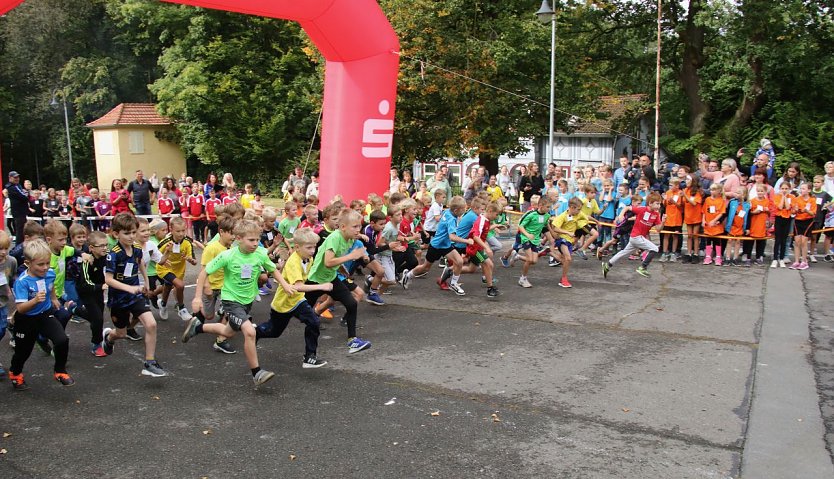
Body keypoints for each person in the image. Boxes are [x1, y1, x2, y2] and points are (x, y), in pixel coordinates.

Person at [183, 219, 293, 386]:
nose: (255, 244)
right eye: (251, 240)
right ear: (238, 238)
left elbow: (272, 269)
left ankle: (197, 328)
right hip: (231, 300)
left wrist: (284, 285)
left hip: (247, 301)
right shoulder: (228, 256)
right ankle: (257, 373)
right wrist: (197, 297)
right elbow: (204, 273)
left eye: (257, 240)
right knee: (249, 331)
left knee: (228, 332)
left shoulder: (260, 254)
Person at [102, 213, 167, 377]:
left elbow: (141, 265)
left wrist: (145, 282)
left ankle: (150, 362)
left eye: (133, 232)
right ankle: (108, 338)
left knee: (151, 324)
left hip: (136, 295)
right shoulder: (114, 254)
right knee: (121, 334)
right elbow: (108, 280)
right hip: (119, 299)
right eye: (127, 233)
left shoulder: (137, 249)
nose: (131, 236)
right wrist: (129, 288)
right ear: (116, 234)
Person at [8, 239, 74, 389]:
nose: (45, 268)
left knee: (62, 340)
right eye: (40, 264)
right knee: (23, 352)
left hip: (44, 315)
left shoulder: (49, 273)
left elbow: (50, 287)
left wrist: (53, 298)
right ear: (27, 263)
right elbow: (20, 309)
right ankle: (15, 373)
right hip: (26, 319)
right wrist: (35, 300)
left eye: (47, 263)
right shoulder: (22, 282)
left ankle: (60, 371)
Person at [307, 208, 373, 353]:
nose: (358, 230)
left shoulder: (349, 239)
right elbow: (328, 262)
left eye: (360, 226)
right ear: (343, 227)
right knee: (295, 312)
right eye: (355, 227)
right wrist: (351, 257)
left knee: (351, 303)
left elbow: (335, 261)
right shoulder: (335, 237)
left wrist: (341, 267)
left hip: (331, 278)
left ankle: (352, 341)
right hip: (315, 280)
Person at [402, 196, 471, 295]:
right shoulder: (451, 218)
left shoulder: (448, 211)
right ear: (456, 210)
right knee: (425, 267)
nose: (465, 210)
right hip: (436, 246)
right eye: (463, 209)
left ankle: (454, 283)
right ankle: (408, 275)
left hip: (445, 245)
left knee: (459, 261)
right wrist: (467, 241)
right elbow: (452, 237)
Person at [602, 192, 663, 279]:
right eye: (657, 203)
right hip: (637, 236)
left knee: (623, 252)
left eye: (660, 203)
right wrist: (621, 215)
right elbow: (627, 207)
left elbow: (658, 229)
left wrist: (663, 221)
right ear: (650, 203)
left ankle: (607, 265)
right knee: (655, 248)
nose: (659, 205)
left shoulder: (656, 215)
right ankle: (643, 267)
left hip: (636, 238)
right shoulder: (642, 209)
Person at [155, 216, 197, 321]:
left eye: (183, 230)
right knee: (180, 285)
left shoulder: (187, 242)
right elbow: (154, 254)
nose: (181, 234)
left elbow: (194, 261)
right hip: (164, 269)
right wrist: (164, 258)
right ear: (171, 230)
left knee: (168, 286)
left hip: (178, 270)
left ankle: (163, 304)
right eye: (178, 231)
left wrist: (190, 260)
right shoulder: (166, 242)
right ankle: (181, 308)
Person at [75, 231, 108, 356]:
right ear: (92, 248)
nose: (105, 248)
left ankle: (75, 310)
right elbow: (85, 283)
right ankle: (96, 344)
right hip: (86, 291)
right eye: (101, 246)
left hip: (98, 290)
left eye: (106, 245)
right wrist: (101, 286)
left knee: (97, 316)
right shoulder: (86, 261)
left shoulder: (107, 256)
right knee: (98, 318)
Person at [548, 197, 586, 288]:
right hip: (562, 239)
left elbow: (586, 217)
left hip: (570, 241)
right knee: (568, 259)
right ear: (572, 207)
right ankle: (564, 279)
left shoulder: (578, 214)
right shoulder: (563, 216)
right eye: (578, 209)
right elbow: (555, 227)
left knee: (564, 260)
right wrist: (567, 232)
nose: (579, 211)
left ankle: (550, 252)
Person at [515, 196, 551, 288]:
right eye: (547, 207)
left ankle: (518, 256)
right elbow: (520, 226)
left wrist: (552, 235)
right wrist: (527, 235)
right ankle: (523, 279)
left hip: (535, 240)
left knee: (534, 261)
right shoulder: (531, 214)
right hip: (526, 238)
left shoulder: (547, 216)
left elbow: (545, 226)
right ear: (540, 205)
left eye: (549, 207)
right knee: (530, 259)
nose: (549, 209)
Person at [0, 230, 16, 377]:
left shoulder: (11, 261)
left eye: (5, 248)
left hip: (3, 303)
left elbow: (13, 279)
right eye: (0, 249)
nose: (3, 252)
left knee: (2, 329)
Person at [790, 182, 816, 270]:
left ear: (809, 190)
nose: (802, 190)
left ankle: (804, 261)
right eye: (801, 188)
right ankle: (797, 261)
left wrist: (806, 211)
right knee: (797, 241)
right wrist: (795, 210)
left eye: (804, 189)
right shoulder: (797, 199)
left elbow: (813, 213)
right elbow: (793, 211)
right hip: (798, 221)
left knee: (804, 241)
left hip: (808, 221)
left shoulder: (812, 200)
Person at [743, 184, 770, 266]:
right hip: (753, 224)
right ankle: (748, 257)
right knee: (750, 241)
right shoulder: (752, 201)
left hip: (762, 225)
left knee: (761, 241)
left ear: (765, 192)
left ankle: (759, 257)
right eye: (758, 191)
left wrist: (767, 210)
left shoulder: (767, 201)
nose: (760, 193)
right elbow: (748, 213)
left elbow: (770, 212)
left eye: (762, 191)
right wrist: (754, 212)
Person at [724, 186, 750, 266]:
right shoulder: (732, 202)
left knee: (738, 241)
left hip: (740, 226)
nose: (736, 194)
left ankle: (735, 258)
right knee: (729, 240)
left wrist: (748, 228)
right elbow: (726, 213)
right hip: (732, 225)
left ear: (744, 195)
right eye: (736, 192)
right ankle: (727, 258)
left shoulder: (747, 205)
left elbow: (749, 217)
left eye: (739, 193)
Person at [702, 184, 727, 265]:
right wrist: (703, 220)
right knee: (708, 241)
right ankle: (708, 256)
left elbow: (721, 213)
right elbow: (704, 211)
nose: (712, 192)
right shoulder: (707, 199)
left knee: (717, 241)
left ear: (719, 191)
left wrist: (714, 220)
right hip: (708, 225)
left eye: (714, 190)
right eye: (711, 190)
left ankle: (718, 256)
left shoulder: (721, 200)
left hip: (716, 225)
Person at [771, 182, 793, 268]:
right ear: (780, 189)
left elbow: (788, 207)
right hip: (779, 218)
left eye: (786, 189)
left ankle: (782, 258)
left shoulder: (791, 197)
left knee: (784, 239)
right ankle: (775, 259)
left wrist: (785, 197)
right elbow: (779, 207)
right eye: (782, 189)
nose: (784, 190)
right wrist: (783, 197)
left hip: (787, 219)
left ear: (789, 189)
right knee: (778, 240)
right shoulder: (776, 197)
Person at [6, 171, 29, 244]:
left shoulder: (18, 185)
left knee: (22, 230)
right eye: (15, 177)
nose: (17, 179)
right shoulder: (12, 187)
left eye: (18, 177)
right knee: (20, 230)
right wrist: (26, 195)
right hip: (18, 212)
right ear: (10, 178)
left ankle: (21, 245)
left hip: (21, 211)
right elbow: (24, 197)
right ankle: (18, 247)